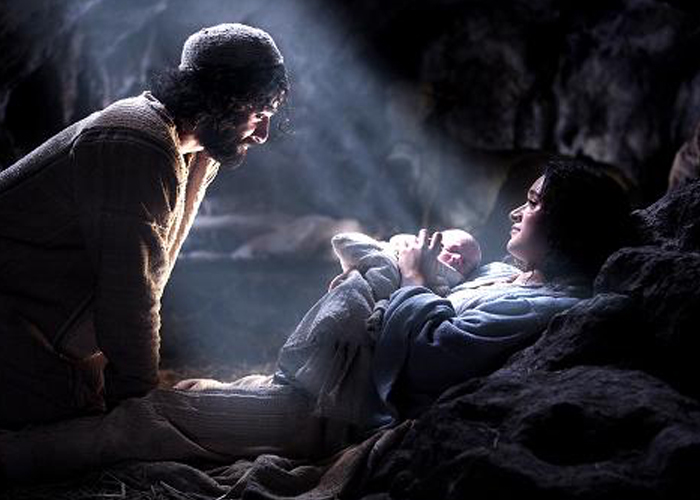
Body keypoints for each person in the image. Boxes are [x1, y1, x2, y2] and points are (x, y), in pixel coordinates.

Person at [0, 155, 632, 482]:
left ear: (566, 224)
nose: (518, 211)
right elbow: (443, 295)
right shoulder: (505, 278)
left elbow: (435, 353)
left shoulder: (545, 305)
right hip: (329, 380)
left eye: (534, 203)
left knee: (153, 417)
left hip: (337, 411)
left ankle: (16, 459)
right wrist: (422, 270)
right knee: (194, 389)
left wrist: (413, 279)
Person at [0, 23, 289, 429]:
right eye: (258, 114)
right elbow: (128, 291)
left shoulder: (194, 151)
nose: (262, 134)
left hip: (45, 339)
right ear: (219, 99)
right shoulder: (137, 144)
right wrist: (140, 400)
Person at [329, 228, 482, 295]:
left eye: (466, 262)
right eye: (453, 250)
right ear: (431, 243)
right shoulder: (404, 246)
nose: (458, 258)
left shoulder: (451, 288)